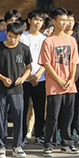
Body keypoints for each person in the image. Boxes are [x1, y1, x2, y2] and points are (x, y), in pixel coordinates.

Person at [0, 22, 32, 158]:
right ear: (6, 33)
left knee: (18, 117)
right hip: (0, 88)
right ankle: (1, 146)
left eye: (16, 37)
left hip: (17, 89)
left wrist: (23, 78)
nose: (13, 40)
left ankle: (17, 146)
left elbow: (29, 67)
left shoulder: (24, 48)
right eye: (11, 36)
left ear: (20, 36)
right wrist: (2, 78)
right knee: (0, 118)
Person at [39, 8, 79, 156]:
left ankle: (67, 142)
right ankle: (49, 144)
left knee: (68, 115)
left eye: (66, 20)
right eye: (61, 20)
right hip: (54, 85)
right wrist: (59, 80)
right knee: (53, 116)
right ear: (54, 21)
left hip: (70, 85)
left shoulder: (72, 40)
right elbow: (46, 64)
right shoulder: (48, 41)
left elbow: (75, 62)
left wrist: (71, 79)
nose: (64, 23)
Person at [20, 10, 47, 144]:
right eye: (35, 19)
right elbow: (20, 58)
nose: (38, 23)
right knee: (23, 109)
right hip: (24, 79)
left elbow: (47, 60)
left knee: (40, 108)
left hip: (40, 78)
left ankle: (40, 135)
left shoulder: (44, 39)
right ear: (29, 20)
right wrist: (29, 75)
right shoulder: (22, 37)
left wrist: (37, 75)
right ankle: (22, 136)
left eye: (40, 20)